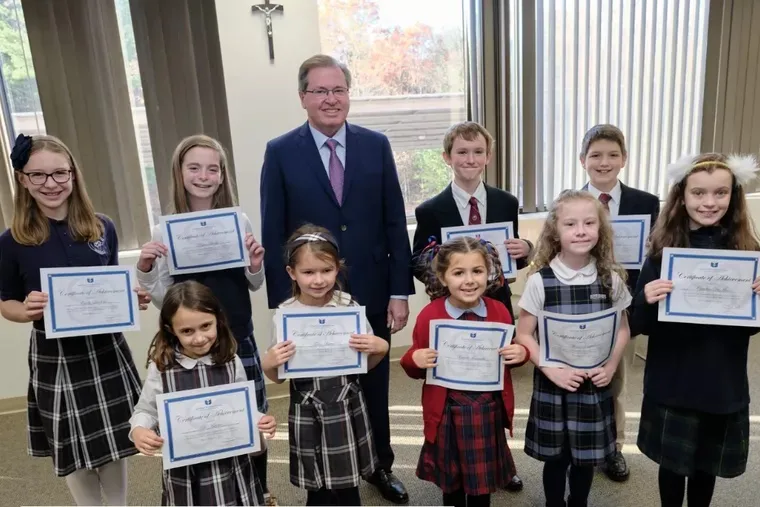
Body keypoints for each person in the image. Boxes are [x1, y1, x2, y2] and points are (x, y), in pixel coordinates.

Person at [260, 54, 413, 503]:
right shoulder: (281, 151)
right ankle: (322, 471)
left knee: (373, 379)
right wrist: (281, 306)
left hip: (370, 286)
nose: (331, 99)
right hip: (308, 297)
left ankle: (378, 465)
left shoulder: (376, 144)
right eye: (320, 91)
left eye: (338, 90)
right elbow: (273, 229)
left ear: (348, 94)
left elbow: (393, 221)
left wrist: (400, 292)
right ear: (303, 97)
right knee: (316, 391)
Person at [0, 134, 149, 506]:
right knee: (73, 451)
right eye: (38, 176)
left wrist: (131, 299)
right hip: (55, 354)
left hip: (105, 350)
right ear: (22, 179)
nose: (51, 184)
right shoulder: (11, 241)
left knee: (114, 444)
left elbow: (111, 285)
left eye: (59, 173)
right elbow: (6, 303)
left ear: (73, 175)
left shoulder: (102, 227)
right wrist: (26, 309)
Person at [136, 135, 276, 504]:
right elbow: (165, 298)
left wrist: (257, 265)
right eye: (194, 167)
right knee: (200, 425)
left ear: (222, 174)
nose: (203, 176)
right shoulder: (164, 229)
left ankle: (256, 492)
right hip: (193, 346)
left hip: (237, 338)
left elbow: (254, 283)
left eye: (212, 168)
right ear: (179, 173)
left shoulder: (238, 218)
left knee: (250, 422)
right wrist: (145, 269)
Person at [631, 153, 760, 507]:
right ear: (682, 196)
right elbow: (637, 323)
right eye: (699, 193)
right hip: (673, 380)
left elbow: (751, 329)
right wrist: (645, 297)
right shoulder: (661, 253)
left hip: (721, 382)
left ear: (733, 196)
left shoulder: (749, 251)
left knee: (706, 468)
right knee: (672, 467)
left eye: (720, 193)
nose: (709, 202)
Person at [411, 121, 531, 492]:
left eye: (478, 151)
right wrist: (438, 264)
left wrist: (524, 251)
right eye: (462, 152)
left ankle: (498, 461)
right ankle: (455, 460)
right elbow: (417, 260)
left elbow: (509, 259)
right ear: (448, 157)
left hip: (495, 306)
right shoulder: (431, 208)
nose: (470, 158)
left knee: (494, 387)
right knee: (455, 386)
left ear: (488, 157)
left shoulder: (506, 202)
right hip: (450, 313)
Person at [514, 189, 632, 507]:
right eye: (570, 224)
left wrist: (610, 367)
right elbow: (524, 334)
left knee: (585, 458)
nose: (580, 231)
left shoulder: (612, 279)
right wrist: (550, 369)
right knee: (557, 458)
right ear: (556, 231)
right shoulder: (541, 281)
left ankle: (578, 502)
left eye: (589, 223)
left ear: (600, 228)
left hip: (594, 384)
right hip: (554, 384)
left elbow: (622, 329)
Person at [261, 225, 389, 506]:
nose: (318, 280)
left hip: (346, 404)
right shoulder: (285, 315)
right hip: (308, 408)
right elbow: (279, 377)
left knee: (348, 483)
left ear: (337, 269)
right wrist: (268, 364)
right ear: (291, 273)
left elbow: (365, 365)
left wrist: (381, 348)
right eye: (308, 272)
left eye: (326, 270)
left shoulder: (349, 308)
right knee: (317, 487)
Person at [401, 236, 528, 507]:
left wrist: (521, 354)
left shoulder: (500, 311)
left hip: (486, 409)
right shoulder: (429, 316)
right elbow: (412, 366)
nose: (469, 280)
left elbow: (507, 358)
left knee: (482, 485)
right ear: (443, 277)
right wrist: (415, 359)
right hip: (447, 410)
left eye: (477, 271)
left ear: (489, 273)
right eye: (459, 273)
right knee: (452, 484)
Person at [130, 280, 277, 506]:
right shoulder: (162, 368)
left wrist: (260, 419)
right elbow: (147, 410)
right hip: (187, 472)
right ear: (171, 330)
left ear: (217, 321)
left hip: (231, 464)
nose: (199, 338)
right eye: (187, 331)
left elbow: (241, 408)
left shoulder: (230, 360)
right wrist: (139, 429)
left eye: (206, 326)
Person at [579, 124, 659, 481]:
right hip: (579, 304)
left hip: (624, 303)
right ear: (583, 160)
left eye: (612, 154)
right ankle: (582, 440)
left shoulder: (646, 202)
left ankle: (614, 447)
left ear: (624, 159)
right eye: (596, 155)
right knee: (579, 377)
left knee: (617, 377)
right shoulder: (568, 200)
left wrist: (650, 249)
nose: (604, 162)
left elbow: (659, 255)